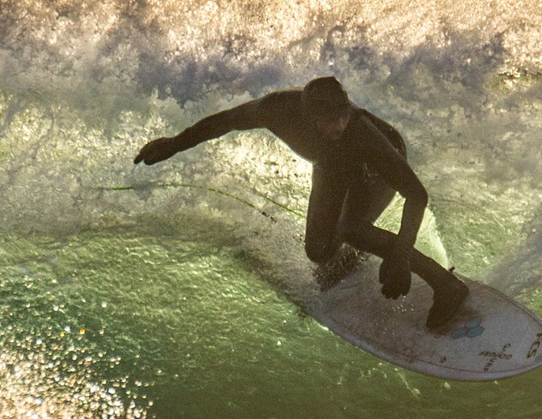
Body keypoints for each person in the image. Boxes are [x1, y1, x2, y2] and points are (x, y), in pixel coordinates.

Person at [135, 76, 473, 331]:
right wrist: (174, 144)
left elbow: (416, 193)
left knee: (352, 228)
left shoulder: (360, 132)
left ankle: (447, 286)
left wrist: (400, 255)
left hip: (376, 164)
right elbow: (224, 122)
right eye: (330, 121)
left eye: (343, 115)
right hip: (333, 165)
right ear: (307, 116)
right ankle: (356, 254)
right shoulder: (276, 109)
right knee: (318, 251)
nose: (339, 125)